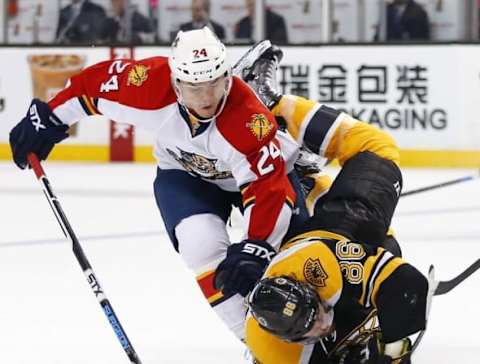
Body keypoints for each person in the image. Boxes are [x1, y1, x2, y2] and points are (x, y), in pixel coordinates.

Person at [8, 27, 310, 340]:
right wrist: (47, 119)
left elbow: (269, 187)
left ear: (227, 77)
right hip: (185, 174)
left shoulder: (248, 120)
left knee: (295, 255)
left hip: (257, 180)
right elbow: (91, 87)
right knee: (200, 244)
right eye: (194, 87)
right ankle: (254, 340)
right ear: (176, 81)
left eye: (213, 83)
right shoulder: (146, 85)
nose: (205, 98)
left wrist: (257, 245)